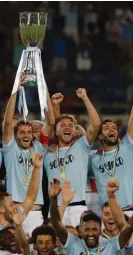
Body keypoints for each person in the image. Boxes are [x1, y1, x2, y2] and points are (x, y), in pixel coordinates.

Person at [90, 78, 133, 236]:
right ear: (100, 135)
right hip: (108, 217)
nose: (111, 129)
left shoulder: (128, 147)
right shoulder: (93, 159)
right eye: (106, 128)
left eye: (114, 127)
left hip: (132, 213)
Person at [49, 177, 133, 255]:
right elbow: (56, 223)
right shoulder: (73, 244)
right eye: (87, 229)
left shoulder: (110, 247)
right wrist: (53, 199)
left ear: (100, 230)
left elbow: (130, 228)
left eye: (94, 229)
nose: (91, 233)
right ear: (81, 231)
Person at [2, 74, 55, 235]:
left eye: (29, 132)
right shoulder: (10, 149)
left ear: (33, 134)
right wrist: (15, 89)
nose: (25, 135)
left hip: (36, 213)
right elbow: (6, 124)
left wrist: (43, 87)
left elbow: (51, 122)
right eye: (22, 132)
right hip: (15, 211)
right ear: (16, 135)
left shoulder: (39, 148)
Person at [44, 88, 101, 227]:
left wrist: (85, 98)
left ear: (75, 131)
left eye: (70, 125)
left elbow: (96, 124)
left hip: (78, 209)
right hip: (55, 209)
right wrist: (54, 104)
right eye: (63, 126)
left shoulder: (81, 147)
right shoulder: (47, 152)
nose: (67, 127)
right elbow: (52, 122)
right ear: (56, 132)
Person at [0, 153, 43, 241]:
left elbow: (31, 197)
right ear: (1, 209)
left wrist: (36, 168)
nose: (16, 206)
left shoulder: (16, 217)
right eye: (11, 205)